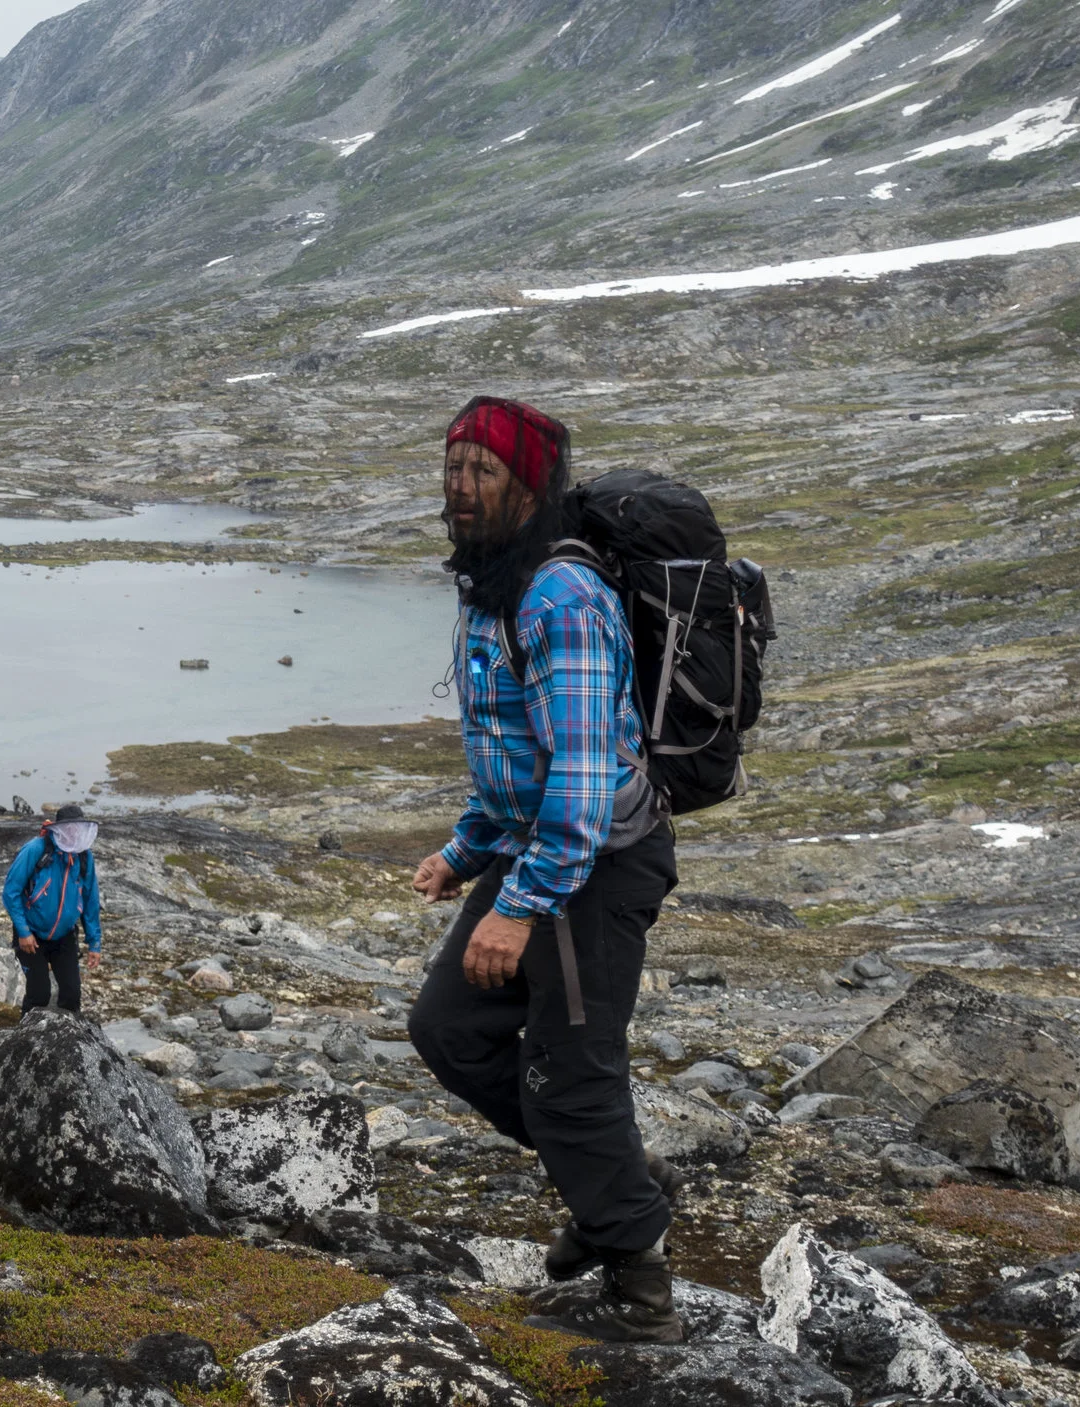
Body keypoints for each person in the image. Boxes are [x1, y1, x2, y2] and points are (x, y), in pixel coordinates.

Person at [405, 395, 684, 1344]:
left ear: (529, 484)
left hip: (595, 860)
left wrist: (517, 906)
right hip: (539, 850)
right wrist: (466, 849)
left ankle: (643, 1305)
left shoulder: (561, 597)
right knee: (448, 1027)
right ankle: (617, 1185)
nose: (460, 488)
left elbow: (584, 776)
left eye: (482, 471)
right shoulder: (492, 585)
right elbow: (511, 752)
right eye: (452, 469)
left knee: (572, 1072)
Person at [2, 804, 103, 1012]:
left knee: (72, 994)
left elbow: (90, 899)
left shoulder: (84, 856)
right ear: (58, 828)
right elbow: (11, 892)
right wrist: (23, 931)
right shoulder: (36, 849)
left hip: (64, 936)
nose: (74, 833)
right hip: (32, 936)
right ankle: (25, 1040)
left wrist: (94, 943)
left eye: (78, 829)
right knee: (39, 994)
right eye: (69, 828)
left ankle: (68, 1041)